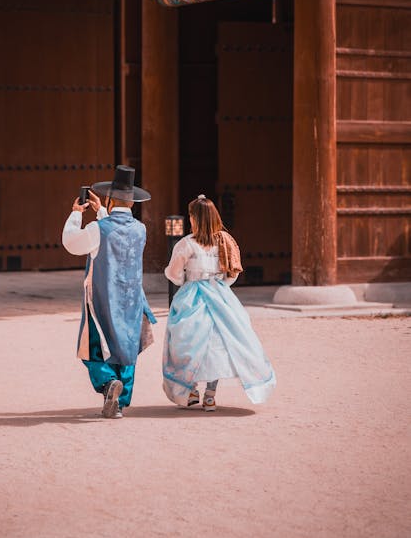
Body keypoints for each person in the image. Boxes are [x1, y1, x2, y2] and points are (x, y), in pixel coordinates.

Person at [163, 194, 276, 411]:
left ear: (195, 218)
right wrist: (220, 285)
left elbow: (174, 273)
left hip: (192, 295)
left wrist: (185, 281)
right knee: (219, 343)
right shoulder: (224, 241)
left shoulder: (186, 244)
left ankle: (191, 388)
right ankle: (210, 396)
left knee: (187, 341)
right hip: (219, 294)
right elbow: (232, 273)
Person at [62, 165, 156, 419]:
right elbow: (118, 228)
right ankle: (119, 403)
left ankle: (107, 383)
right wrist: (102, 211)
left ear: (109, 199)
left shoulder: (97, 229)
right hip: (132, 299)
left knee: (94, 348)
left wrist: (75, 214)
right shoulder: (140, 229)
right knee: (126, 350)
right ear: (132, 203)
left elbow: (72, 242)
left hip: (103, 299)